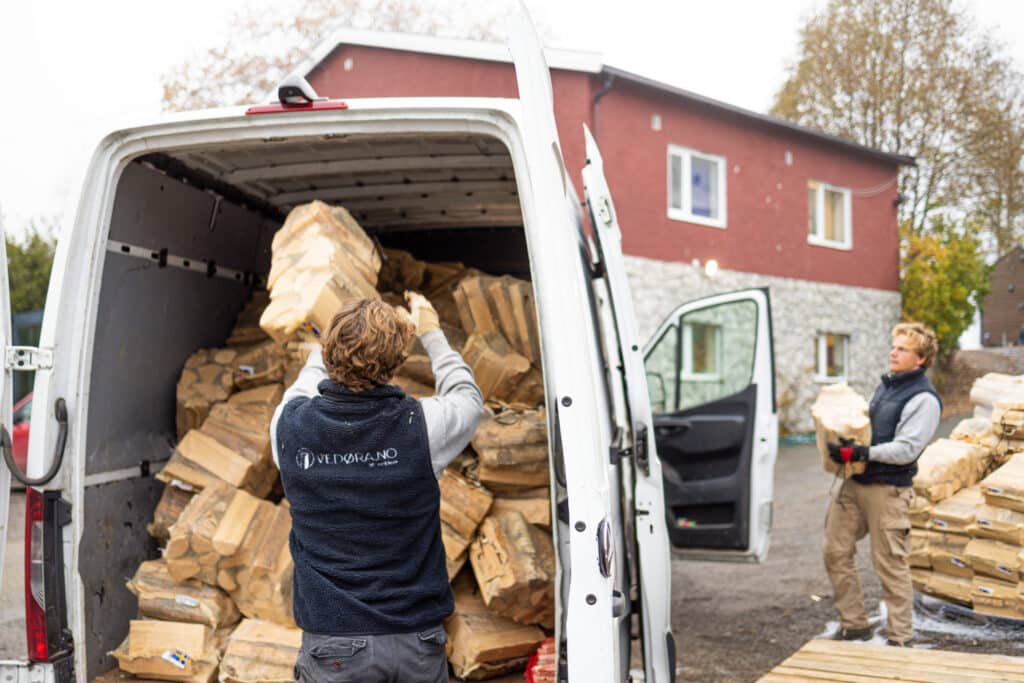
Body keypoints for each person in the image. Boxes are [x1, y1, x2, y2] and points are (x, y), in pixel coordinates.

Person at [270, 293, 483, 682]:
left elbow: (305, 383)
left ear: (328, 351)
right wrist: (432, 332)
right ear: (397, 363)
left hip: (333, 646)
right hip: (415, 642)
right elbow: (468, 399)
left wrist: (333, 335)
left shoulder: (288, 427)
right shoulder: (421, 427)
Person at [823, 322, 941, 647]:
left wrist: (862, 452)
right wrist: (845, 441)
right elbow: (870, 430)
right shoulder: (886, 387)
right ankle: (855, 624)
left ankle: (900, 638)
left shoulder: (924, 400)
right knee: (835, 550)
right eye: (894, 345)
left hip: (888, 491)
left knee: (889, 563)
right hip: (855, 483)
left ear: (920, 359)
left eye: (903, 348)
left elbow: (906, 449)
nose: (894, 351)